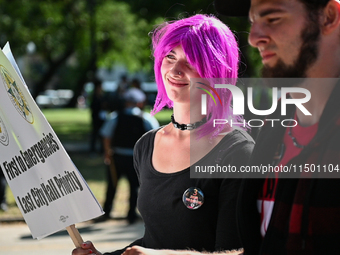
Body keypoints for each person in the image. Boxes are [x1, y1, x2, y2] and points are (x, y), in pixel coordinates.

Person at [120, 0, 340, 255]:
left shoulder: (241, 149)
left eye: (273, 18)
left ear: (329, 16)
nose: (255, 37)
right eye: (253, 21)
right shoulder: (275, 130)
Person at [72, 14, 254, 255]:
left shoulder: (238, 152)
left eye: (191, 61)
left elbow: (236, 251)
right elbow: (155, 239)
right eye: (170, 56)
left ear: (215, 71)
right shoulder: (147, 145)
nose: (176, 70)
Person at [98, 87, 159, 224]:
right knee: (135, 187)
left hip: (117, 157)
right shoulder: (146, 118)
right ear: (139, 103)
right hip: (136, 160)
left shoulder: (115, 117)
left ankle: (107, 210)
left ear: (125, 102)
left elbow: (106, 136)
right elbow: (155, 137)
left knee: (112, 184)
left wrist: (107, 153)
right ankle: (131, 214)